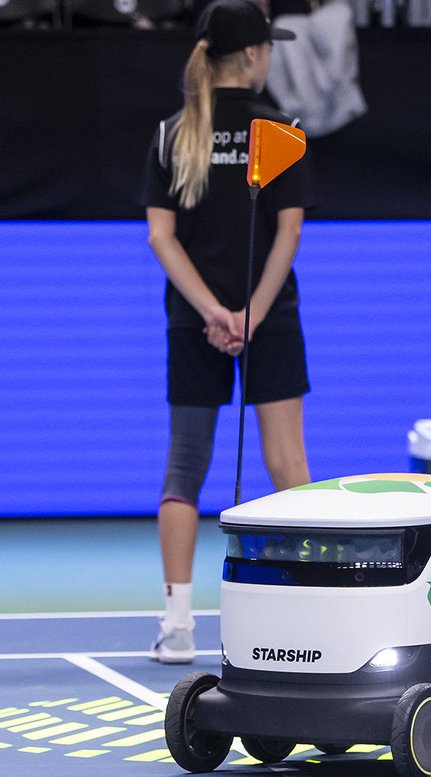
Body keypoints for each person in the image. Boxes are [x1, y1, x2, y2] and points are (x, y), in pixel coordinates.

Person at [142, 0, 316, 663]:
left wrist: (211, 312)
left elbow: (161, 237)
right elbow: (290, 231)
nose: (271, 56)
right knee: (288, 464)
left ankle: (177, 623)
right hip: (269, 317)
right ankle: (306, 606)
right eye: (270, 47)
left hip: (194, 320)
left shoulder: (171, 133)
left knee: (184, 465)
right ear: (251, 56)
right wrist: (250, 313)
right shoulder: (280, 131)